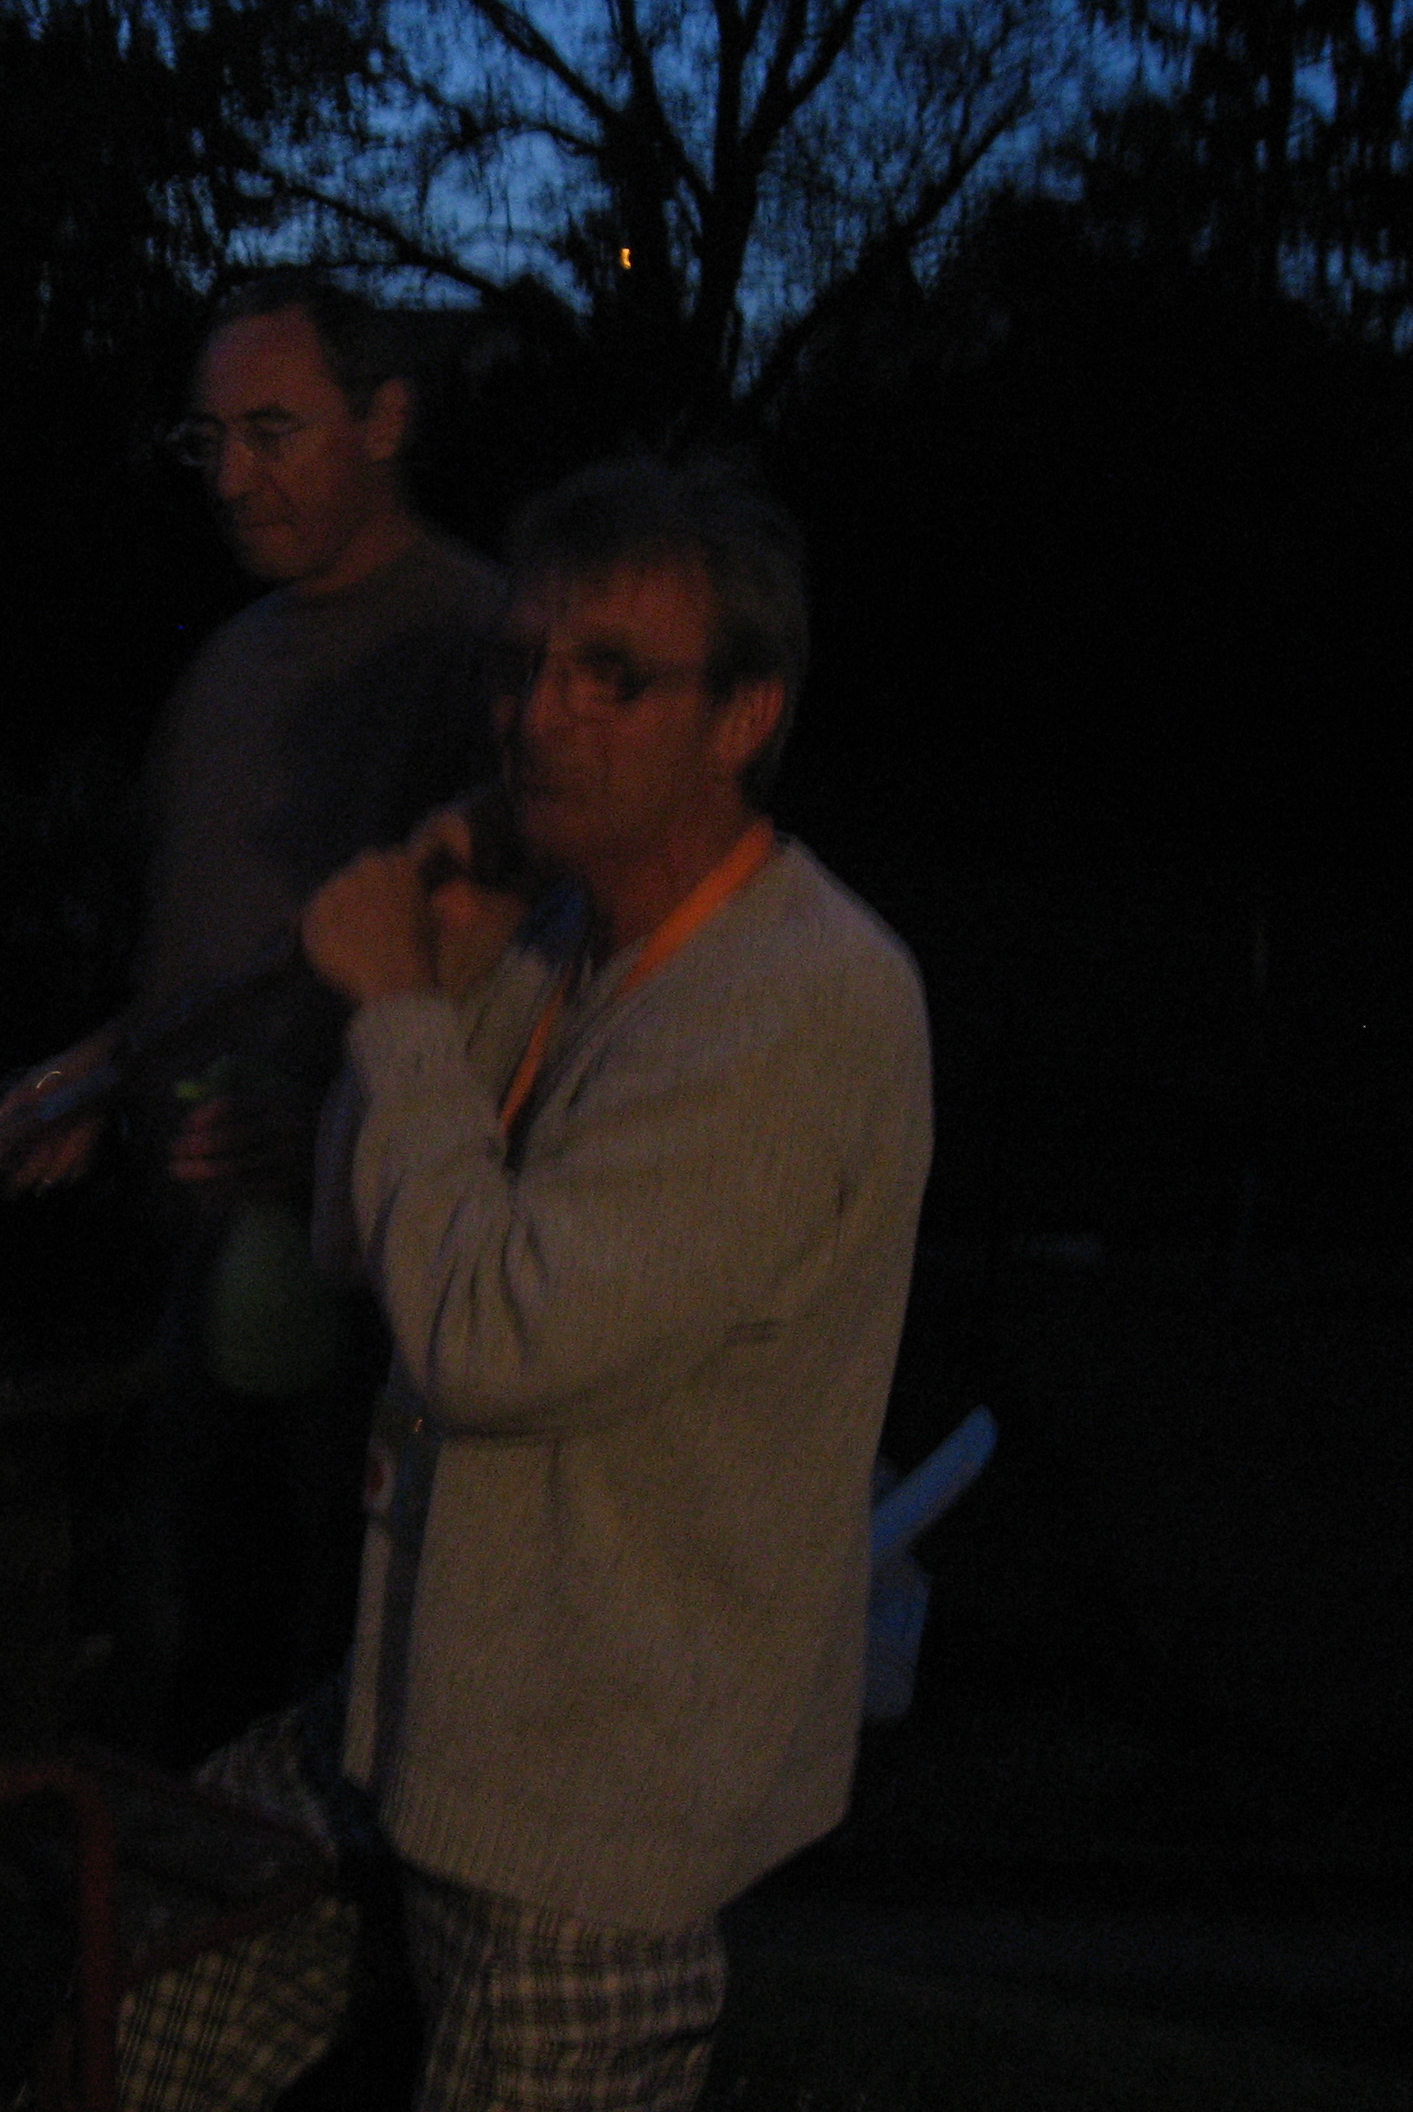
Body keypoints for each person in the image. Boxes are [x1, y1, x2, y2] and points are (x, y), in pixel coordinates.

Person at [119, 456, 932, 2111]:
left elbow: (489, 1339)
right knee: (137, 1971)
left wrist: (399, 1009)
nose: (539, 714)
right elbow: (368, 1238)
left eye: (612, 675)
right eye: (525, 663)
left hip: (594, 1803)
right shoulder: (564, 937)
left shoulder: (799, 1006)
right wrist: (451, 969)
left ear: (745, 716)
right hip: (418, 1707)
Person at [0, 271, 508, 1758]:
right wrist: (102, 1073)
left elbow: (521, 977)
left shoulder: (476, 650)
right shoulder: (228, 664)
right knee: (196, 1677)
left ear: (387, 418)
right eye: (208, 439)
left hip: (382, 1309)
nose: (230, 477)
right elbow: (220, 963)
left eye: (273, 430)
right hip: (205, 1273)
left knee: (349, 1696)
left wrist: (335, 1129)